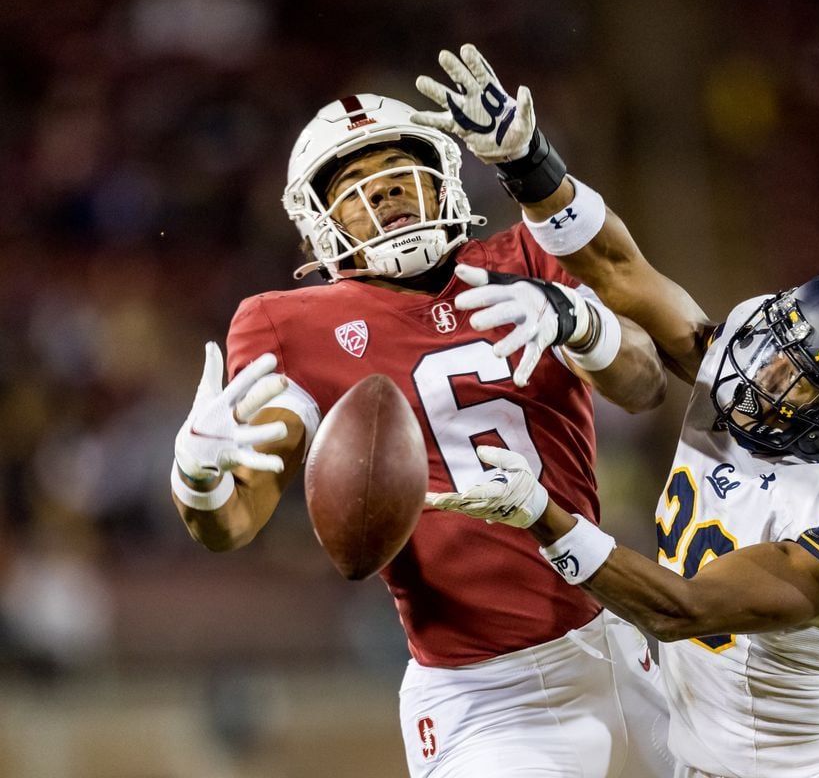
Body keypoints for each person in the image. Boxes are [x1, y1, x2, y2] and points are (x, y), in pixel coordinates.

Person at [169, 44, 674, 777]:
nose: (384, 191)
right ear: (319, 224)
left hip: (621, 634)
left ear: (445, 177)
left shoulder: (525, 258)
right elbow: (233, 522)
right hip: (484, 692)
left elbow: (645, 383)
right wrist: (200, 481)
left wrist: (578, 320)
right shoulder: (288, 324)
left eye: (397, 170)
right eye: (354, 184)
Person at [429, 258, 819, 776]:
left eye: (801, 379)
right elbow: (621, 269)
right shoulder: (761, 381)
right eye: (781, 348)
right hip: (703, 760)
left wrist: (545, 518)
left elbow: (681, 610)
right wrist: (530, 169)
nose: (765, 371)